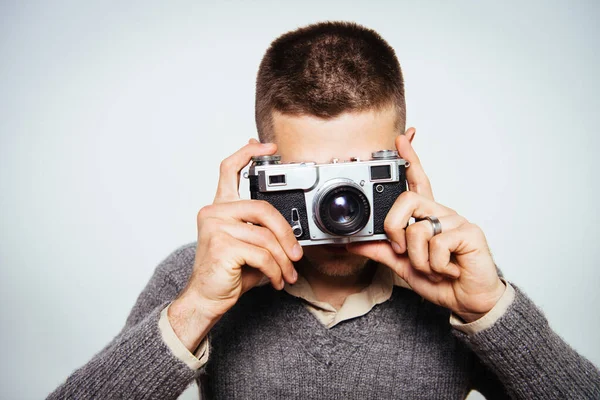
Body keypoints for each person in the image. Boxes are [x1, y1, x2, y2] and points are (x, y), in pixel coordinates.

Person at [48, 21, 600, 400]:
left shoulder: (456, 279)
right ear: (261, 169)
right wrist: (196, 308)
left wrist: (492, 311)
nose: (338, 207)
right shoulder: (196, 275)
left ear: (405, 156)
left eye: (357, 178)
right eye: (308, 180)